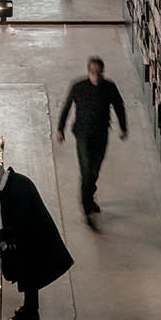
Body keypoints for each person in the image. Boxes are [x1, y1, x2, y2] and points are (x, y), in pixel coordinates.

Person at [0, 160, 73, 320]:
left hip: (34, 241)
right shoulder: (16, 182)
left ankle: (30, 313)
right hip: (32, 239)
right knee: (30, 278)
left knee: (30, 276)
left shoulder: (15, 191)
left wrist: (2, 234)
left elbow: (20, 222)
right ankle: (30, 310)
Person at [56, 54, 128, 221]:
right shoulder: (78, 87)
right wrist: (60, 128)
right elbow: (66, 107)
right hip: (82, 134)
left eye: (100, 72)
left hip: (101, 134)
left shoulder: (110, 88)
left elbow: (119, 106)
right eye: (94, 72)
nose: (97, 76)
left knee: (95, 169)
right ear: (89, 72)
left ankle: (88, 197)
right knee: (86, 170)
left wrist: (123, 127)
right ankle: (86, 206)